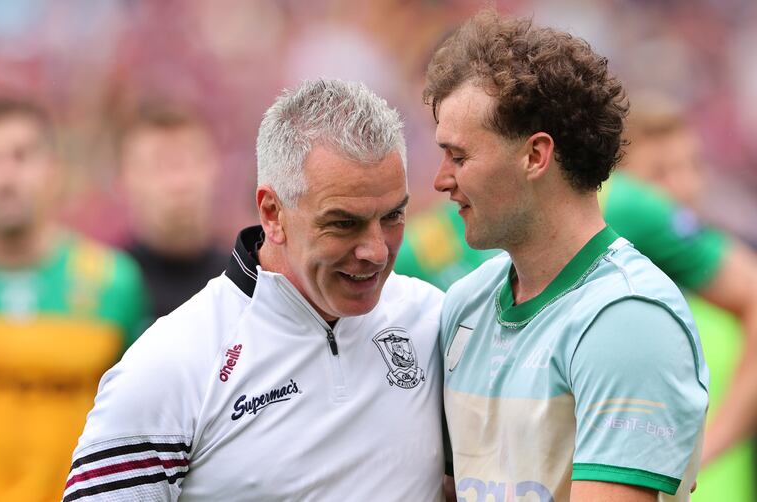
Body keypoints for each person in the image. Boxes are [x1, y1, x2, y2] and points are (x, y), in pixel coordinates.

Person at [63, 79, 446, 501]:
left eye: (393, 215)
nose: (376, 250)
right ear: (272, 213)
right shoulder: (169, 365)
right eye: (344, 222)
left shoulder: (435, 322)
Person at [426, 10, 707, 501]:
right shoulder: (465, 303)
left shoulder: (628, 317)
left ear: (536, 155)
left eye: (460, 157)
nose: (441, 180)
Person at [0, 97, 146, 502]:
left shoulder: (113, 281)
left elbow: (142, 421)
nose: (4, 177)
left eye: (21, 156)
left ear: (53, 169)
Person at [616, 95, 757, 501]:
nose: (685, 185)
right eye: (660, 173)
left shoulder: (733, 289)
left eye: (693, 166)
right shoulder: (610, 298)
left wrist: (708, 449)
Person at [118, 103, 230, 319]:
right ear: (126, 179)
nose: (180, 183)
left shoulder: (248, 281)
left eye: (191, 161)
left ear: (215, 167)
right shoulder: (103, 289)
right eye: (160, 165)